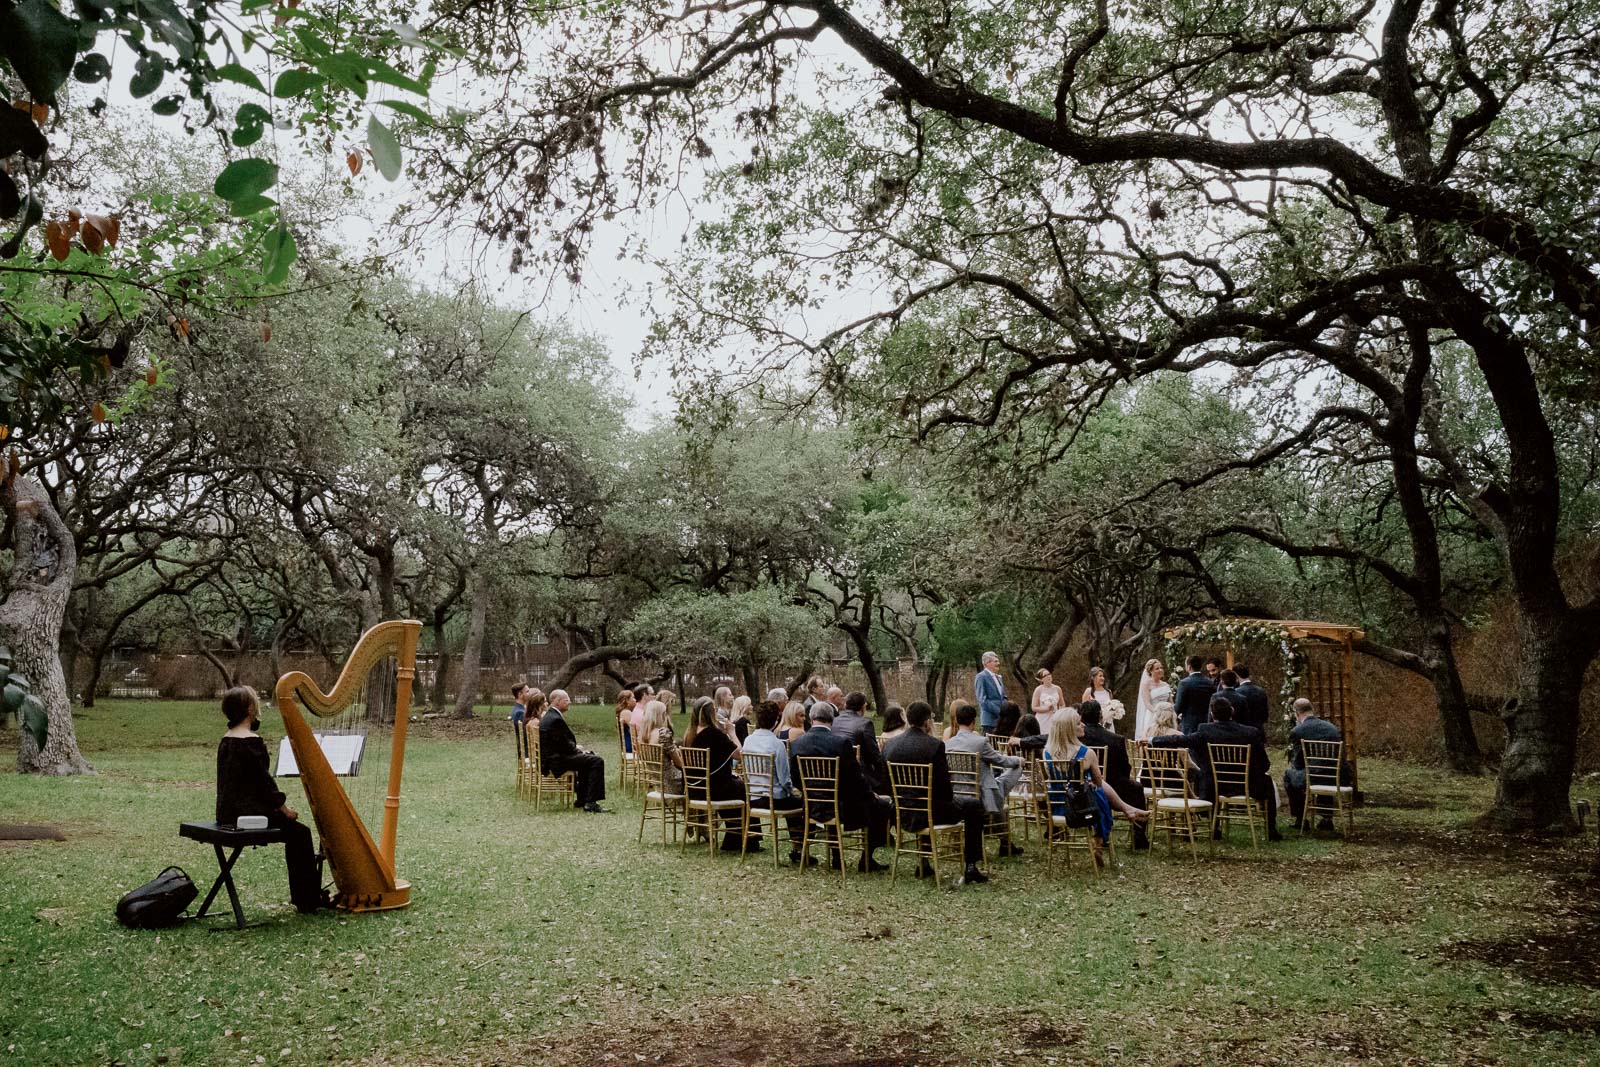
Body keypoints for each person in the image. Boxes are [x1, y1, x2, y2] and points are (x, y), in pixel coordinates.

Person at [214, 686, 325, 913]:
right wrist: (285, 810)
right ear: (250, 710)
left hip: (227, 812)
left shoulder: (227, 739)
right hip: (248, 814)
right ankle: (308, 899)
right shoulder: (250, 741)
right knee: (300, 834)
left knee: (296, 833)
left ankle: (308, 896)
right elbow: (265, 785)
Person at [882, 701, 990, 885]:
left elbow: (885, 785)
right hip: (932, 812)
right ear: (927, 722)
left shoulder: (890, 745)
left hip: (902, 811)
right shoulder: (934, 746)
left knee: (932, 802)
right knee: (974, 806)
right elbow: (945, 791)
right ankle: (970, 865)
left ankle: (924, 862)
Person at [1151, 695, 1281, 840]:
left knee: (1203, 776)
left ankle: (1214, 826)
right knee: (1267, 782)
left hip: (1215, 785)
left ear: (1212, 714)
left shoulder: (1205, 731)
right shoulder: (1250, 732)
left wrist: (1152, 740)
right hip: (1248, 785)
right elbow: (1264, 764)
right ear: (1232, 711)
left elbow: (1181, 740)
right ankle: (1271, 828)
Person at [789, 702, 892, 871]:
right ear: (832, 719)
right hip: (843, 805)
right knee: (881, 806)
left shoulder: (797, 744)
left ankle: (837, 857)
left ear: (811, 719)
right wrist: (870, 793)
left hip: (812, 804)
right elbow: (856, 777)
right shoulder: (841, 743)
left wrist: (812, 793)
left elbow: (795, 778)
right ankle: (866, 859)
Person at [1042, 708, 1148, 867]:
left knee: (1092, 787)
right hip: (1083, 809)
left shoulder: (1047, 753)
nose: (1083, 725)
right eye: (1078, 723)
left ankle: (1127, 810)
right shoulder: (1087, 753)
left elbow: (1053, 780)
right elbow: (1099, 782)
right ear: (1070, 729)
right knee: (1098, 792)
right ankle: (1099, 841)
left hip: (1058, 806)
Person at [944, 704, 1023, 857]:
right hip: (981, 794)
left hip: (957, 794)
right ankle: (1005, 843)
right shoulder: (980, 742)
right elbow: (1001, 760)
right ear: (974, 722)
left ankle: (1005, 843)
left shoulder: (947, 744)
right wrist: (1018, 760)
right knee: (1009, 775)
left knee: (997, 785)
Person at [683, 696, 749, 851]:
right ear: (712, 713)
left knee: (736, 785)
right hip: (714, 789)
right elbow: (739, 755)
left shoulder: (689, 734)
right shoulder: (714, 734)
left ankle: (734, 838)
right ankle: (743, 839)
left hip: (695, 788)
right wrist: (732, 733)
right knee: (742, 788)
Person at [1079, 699, 1148, 849]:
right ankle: (1139, 837)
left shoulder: (1077, 738)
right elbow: (1125, 767)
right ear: (1100, 716)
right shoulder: (1115, 739)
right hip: (1115, 786)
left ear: (1081, 717)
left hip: (1083, 789)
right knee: (1136, 788)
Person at [742, 700, 806, 861]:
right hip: (774, 798)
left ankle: (798, 849)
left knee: (793, 800)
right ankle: (798, 848)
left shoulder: (748, 741)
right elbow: (785, 780)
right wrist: (793, 790)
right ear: (776, 720)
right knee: (801, 803)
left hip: (754, 797)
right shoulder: (777, 744)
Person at [540, 689, 608, 813]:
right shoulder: (555, 719)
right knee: (596, 761)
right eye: (567, 700)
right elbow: (563, 747)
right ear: (557, 701)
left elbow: (561, 743)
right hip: (557, 761)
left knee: (588, 759)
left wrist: (579, 751)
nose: (569, 702)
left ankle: (582, 799)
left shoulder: (550, 716)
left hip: (555, 757)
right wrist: (579, 750)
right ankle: (591, 802)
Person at [1284, 698, 1347, 830]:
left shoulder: (1298, 731)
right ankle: (1326, 818)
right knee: (1324, 770)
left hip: (1313, 776)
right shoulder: (1332, 728)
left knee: (1289, 775)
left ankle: (1301, 818)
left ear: (1297, 713)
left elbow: (1298, 761)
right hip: (1337, 775)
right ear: (1311, 710)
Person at [833, 690, 885, 791]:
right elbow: (874, 756)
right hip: (860, 777)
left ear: (846, 705)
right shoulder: (865, 724)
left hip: (836, 775)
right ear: (863, 706)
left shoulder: (834, 721)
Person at [639, 699, 683, 794]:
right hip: (672, 782)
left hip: (657, 783)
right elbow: (678, 763)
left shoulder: (643, 736)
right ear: (660, 715)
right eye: (664, 713)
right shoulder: (662, 734)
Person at [1174, 656, 1217, 734]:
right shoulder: (1209, 682)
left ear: (1189, 667)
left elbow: (1178, 706)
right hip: (1206, 721)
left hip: (1189, 723)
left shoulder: (1184, 683)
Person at [1135, 658, 1172, 740]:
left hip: (1166, 716)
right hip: (1152, 715)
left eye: (1161, 668)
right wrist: (1158, 713)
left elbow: (1170, 702)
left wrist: (1172, 713)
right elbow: (1147, 703)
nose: (1160, 670)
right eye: (1157, 668)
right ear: (1150, 671)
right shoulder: (1146, 684)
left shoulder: (1165, 685)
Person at [1234, 664, 1271, 734]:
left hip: (1243, 732)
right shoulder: (1261, 691)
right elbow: (1265, 715)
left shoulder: (1237, 692)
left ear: (1236, 675)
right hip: (1259, 730)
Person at [975, 652, 1006, 731]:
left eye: (998, 661)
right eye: (995, 661)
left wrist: (1007, 709)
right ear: (987, 663)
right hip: (989, 721)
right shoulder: (981, 677)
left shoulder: (999, 677)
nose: (998, 663)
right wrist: (999, 711)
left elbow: (1003, 697)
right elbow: (982, 700)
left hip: (1001, 721)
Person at [1031, 668, 1063, 737]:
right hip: (1043, 718)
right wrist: (1047, 709)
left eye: (1049, 674)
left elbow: (1062, 704)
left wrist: (1060, 714)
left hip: (1054, 717)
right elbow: (1034, 707)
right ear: (1041, 679)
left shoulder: (1057, 688)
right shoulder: (1038, 690)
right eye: (1045, 675)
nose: (1048, 676)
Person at [614, 688, 636, 753]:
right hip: (630, 747)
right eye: (633, 698)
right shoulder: (626, 712)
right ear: (627, 700)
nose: (635, 700)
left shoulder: (625, 712)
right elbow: (636, 729)